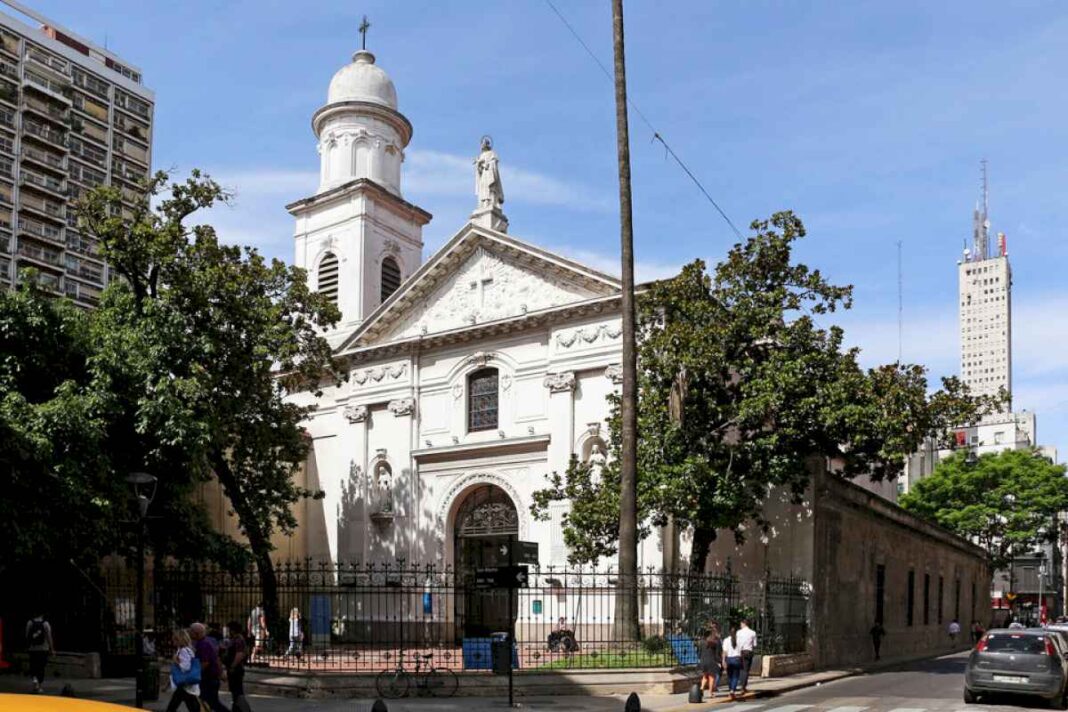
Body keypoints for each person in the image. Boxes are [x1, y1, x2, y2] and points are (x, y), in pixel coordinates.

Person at [191, 621, 230, 712]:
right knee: (207, 702)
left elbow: (205, 662)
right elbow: (217, 658)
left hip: (208, 678)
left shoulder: (202, 644)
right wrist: (220, 672)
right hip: (212, 677)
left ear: (196, 633)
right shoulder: (209, 641)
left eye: (191, 632)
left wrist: (195, 675)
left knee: (211, 703)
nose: (189, 634)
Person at [164, 628, 200, 712]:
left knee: (173, 707)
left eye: (174, 640)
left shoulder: (183, 651)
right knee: (192, 706)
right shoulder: (188, 650)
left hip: (184, 684)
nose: (173, 642)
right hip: (185, 685)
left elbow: (185, 667)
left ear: (179, 640)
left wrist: (175, 661)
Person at [222, 621, 249, 711]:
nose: (228, 631)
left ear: (233, 630)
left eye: (229, 630)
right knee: (235, 691)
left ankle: (245, 710)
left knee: (237, 691)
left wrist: (233, 666)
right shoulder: (234, 639)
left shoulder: (238, 639)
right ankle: (236, 709)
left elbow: (240, 654)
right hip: (233, 668)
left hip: (236, 669)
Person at [25, 611, 54, 694]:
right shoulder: (46, 624)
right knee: (41, 667)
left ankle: (35, 680)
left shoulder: (29, 623)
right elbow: (49, 637)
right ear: (42, 614)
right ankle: (39, 686)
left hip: (32, 649)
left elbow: (27, 636)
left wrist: (28, 646)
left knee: (33, 666)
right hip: (43, 649)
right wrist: (52, 649)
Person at [721, 626, 744, 700]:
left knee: (730, 676)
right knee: (735, 676)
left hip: (729, 659)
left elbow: (724, 652)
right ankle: (732, 690)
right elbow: (741, 651)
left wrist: (723, 660)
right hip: (737, 659)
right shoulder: (740, 640)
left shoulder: (726, 640)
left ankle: (731, 690)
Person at [735, 618, 758, 693]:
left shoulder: (738, 632)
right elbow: (755, 644)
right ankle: (743, 686)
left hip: (740, 652)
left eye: (741, 624)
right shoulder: (753, 632)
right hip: (748, 652)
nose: (740, 625)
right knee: (746, 670)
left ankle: (742, 685)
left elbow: (737, 643)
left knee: (741, 669)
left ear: (744, 624)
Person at [699, 630, 723, 695]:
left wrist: (700, 659)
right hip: (712, 661)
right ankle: (710, 692)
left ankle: (701, 688)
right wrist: (719, 662)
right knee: (711, 677)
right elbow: (717, 655)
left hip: (703, 661)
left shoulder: (701, 642)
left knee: (705, 676)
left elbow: (699, 652)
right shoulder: (715, 643)